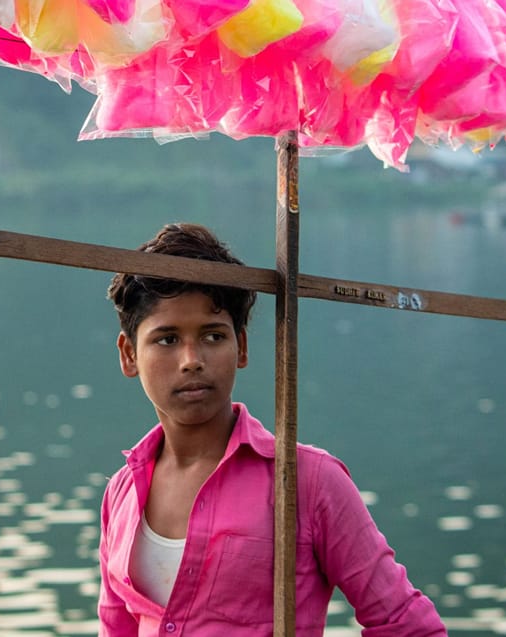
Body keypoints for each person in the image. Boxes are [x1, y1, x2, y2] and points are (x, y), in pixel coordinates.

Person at [98, 223, 446, 636]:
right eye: (167, 339)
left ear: (241, 347)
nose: (191, 359)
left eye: (212, 336)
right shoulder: (123, 490)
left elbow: (408, 625)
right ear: (128, 354)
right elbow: (114, 626)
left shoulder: (307, 481)